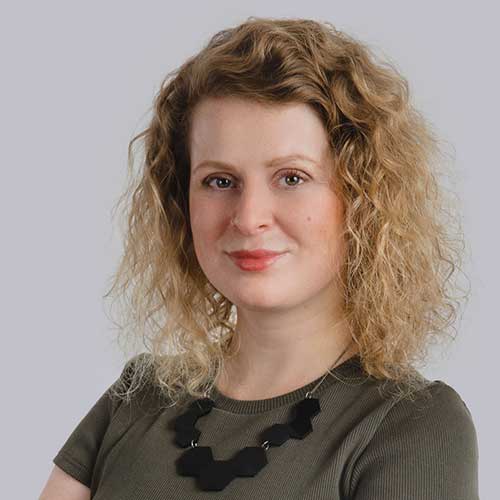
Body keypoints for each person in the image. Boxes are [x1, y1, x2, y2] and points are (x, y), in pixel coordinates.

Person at [39, 17, 479, 499]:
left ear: (362, 198)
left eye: (291, 178)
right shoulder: (138, 396)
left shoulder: (410, 425)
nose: (249, 218)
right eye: (219, 181)